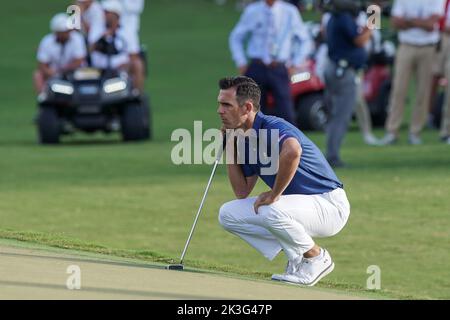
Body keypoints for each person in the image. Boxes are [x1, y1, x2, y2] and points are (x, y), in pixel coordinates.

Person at [217, 76, 350, 286]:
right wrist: (231, 144)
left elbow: (292, 151)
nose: (220, 111)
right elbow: (242, 191)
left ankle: (315, 257)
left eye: (226, 105)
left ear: (247, 107)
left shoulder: (272, 125)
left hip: (329, 205)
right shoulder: (244, 139)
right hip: (298, 208)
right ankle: (297, 257)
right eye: (220, 104)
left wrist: (274, 194)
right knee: (228, 214)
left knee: (270, 208)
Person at [229, 0, 312, 124]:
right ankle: (255, 143)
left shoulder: (289, 11)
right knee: (252, 113)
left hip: (278, 67)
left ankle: (287, 142)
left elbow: (304, 40)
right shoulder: (253, 11)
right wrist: (240, 61)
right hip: (257, 66)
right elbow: (236, 37)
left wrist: (295, 63)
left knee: (286, 113)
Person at [380, 0, 443, 145]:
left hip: (428, 46)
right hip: (406, 45)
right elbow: (395, 22)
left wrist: (408, 21)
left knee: (423, 92)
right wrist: (420, 23)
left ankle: (415, 131)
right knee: (398, 90)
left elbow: (431, 25)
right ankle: (392, 131)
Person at [324, 7, 372, 167]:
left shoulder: (334, 16)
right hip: (343, 71)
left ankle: (330, 154)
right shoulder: (343, 17)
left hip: (335, 68)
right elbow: (360, 40)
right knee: (341, 116)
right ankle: (332, 156)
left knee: (334, 114)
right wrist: (373, 21)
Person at [90, 0, 145, 93]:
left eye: (107, 12)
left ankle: (136, 94)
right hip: (98, 67)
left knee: (138, 64)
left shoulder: (127, 32)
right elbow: (90, 49)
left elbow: (133, 55)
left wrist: (125, 66)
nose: (105, 15)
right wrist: (103, 37)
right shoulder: (97, 28)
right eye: (104, 12)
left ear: (116, 15)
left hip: (120, 67)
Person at [33, 13, 87, 94]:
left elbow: (78, 61)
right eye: (65, 31)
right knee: (37, 75)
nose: (68, 33)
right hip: (54, 72)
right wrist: (52, 72)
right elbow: (42, 65)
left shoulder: (77, 38)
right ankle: (43, 98)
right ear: (57, 32)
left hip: (75, 72)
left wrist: (63, 71)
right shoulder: (47, 41)